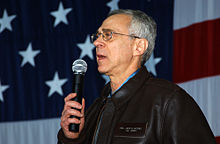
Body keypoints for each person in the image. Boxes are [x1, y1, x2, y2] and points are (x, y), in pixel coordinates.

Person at [57, 9, 216, 144]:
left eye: (108, 35)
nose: (97, 42)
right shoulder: (96, 108)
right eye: (97, 36)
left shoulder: (169, 101)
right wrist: (71, 139)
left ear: (139, 46)